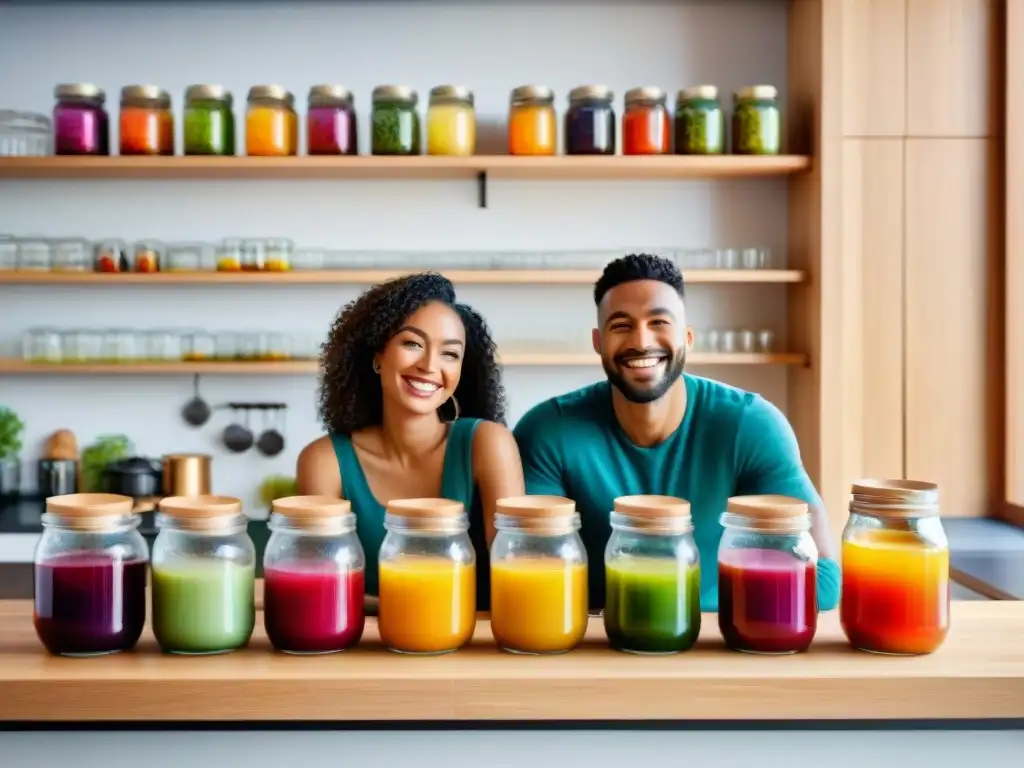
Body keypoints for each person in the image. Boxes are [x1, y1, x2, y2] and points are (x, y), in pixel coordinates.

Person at [512, 253, 840, 612]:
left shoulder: (751, 425)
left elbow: (823, 579)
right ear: (598, 341)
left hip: (716, 647)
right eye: (621, 325)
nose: (641, 340)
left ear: (687, 337)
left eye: (659, 322)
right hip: (594, 648)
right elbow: (528, 575)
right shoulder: (548, 432)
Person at [297, 272, 524, 609]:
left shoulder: (488, 444)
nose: (430, 366)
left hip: (472, 644)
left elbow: (515, 574)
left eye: (450, 354)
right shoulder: (325, 460)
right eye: (412, 344)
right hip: (366, 650)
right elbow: (322, 590)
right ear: (377, 355)